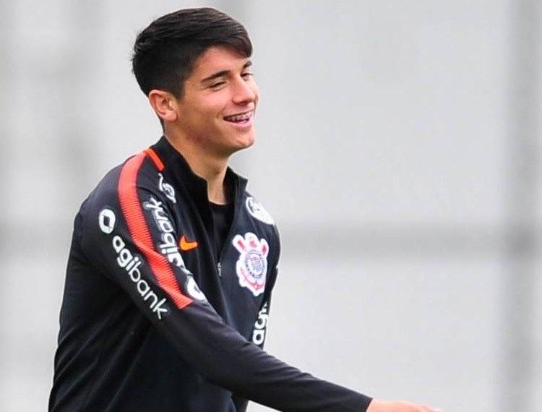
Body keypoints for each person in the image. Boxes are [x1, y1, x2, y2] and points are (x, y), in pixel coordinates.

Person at [49, 7, 440, 412]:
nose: (245, 94)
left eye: (246, 73)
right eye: (218, 82)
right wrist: (364, 409)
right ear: (165, 104)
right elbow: (214, 353)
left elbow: (236, 385)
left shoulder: (257, 230)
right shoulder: (131, 198)